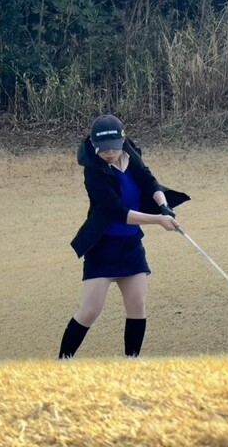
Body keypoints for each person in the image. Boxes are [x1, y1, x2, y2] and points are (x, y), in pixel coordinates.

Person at [58, 114, 190, 359]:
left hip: (131, 246)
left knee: (137, 306)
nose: (109, 153)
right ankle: (61, 363)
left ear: (122, 141)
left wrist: (164, 207)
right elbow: (117, 212)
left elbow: (149, 182)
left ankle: (131, 364)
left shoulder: (129, 154)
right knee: (89, 311)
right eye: (103, 149)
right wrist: (158, 220)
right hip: (103, 249)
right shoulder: (93, 172)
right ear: (94, 144)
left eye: (113, 148)